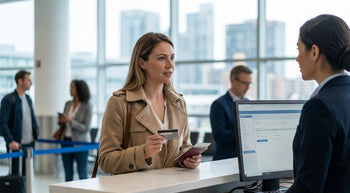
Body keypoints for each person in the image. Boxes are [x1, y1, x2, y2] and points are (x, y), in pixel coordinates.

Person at [237, 14, 350, 193]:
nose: (296, 58)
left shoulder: (320, 106)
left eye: (299, 49)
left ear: (314, 51)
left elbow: (308, 188)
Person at [98, 32, 201, 175]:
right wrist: (143, 153)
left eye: (172, 58)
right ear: (142, 63)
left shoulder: (178, 103)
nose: (170, 65)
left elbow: (184, 145)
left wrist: (187, 158)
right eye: (161, 58)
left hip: (174, 190)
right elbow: (106, 160)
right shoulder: (120, 103)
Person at [0, 69, 39, 176]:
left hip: (29, 144)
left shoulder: (28, 98)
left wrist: (35, 134)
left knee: (27, 175)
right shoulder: (8, 99)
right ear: (20, 81)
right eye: (28, 80)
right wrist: (10, 140)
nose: (31, 83)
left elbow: (31, 119)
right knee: (15, 175)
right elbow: (3, 122)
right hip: (16, 145)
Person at [210, 65, 252, 160]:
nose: (248, 88)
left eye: (250, 84)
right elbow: (219, 135)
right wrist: (245, 133)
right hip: (225, 160)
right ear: (233, 80)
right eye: (245, 83)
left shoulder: (248, 103)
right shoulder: (219, 104)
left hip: (246, 159)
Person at [57, 80, 93, 181]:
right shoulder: (68, 104)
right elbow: (64, 123)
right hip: (66, 141)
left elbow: (86, 128)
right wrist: (62, 120)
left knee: (82, 174)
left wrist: (71, 121)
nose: (70, 89)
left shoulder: (87, 106)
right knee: (68, 174)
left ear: (79, 89)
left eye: (72, 87)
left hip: (81, 143)